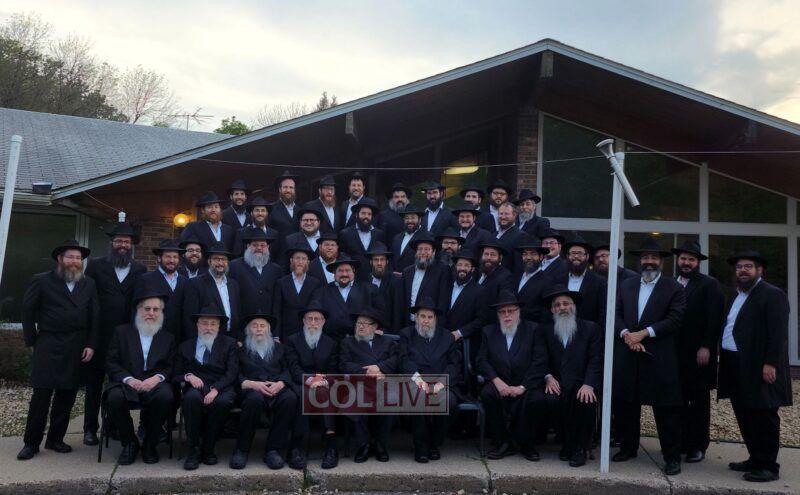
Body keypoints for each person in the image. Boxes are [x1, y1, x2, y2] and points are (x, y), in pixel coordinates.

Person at [17, 240, 99, 461]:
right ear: (60, 259)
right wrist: (31, 341)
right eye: (70, 257)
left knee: (67, 395)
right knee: (41, 396)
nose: (75, 261)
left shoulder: (88, 284)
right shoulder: (42, 280)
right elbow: (27, 311)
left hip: (77, 344)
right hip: (48, 342)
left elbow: (95, 315)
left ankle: (55, 438)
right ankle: (31, 443)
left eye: (78, 258)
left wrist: (91, 344)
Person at [718, 250, 793, 483]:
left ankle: (769, 466)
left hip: (759, 365)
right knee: (745, 413)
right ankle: (755, 458)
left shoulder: (772, 294)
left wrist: (771, 363)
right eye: (739, 267)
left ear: (760, 270)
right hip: (734, 363)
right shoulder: (736, 294)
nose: (743, 270)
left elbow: (778, 333)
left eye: (748, 266)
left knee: (763, 415)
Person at [613, 236, 685, 476]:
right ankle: (628, 447)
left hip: (658, 356)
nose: (649, 261)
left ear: (661, 262)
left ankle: (672, 457)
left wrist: (643, 334)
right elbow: (615, 313)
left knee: (665, 411)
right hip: (628, 354)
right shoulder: (627, 285)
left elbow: (675, 319)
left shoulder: (674, 287)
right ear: (640, 261)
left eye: (654, 258)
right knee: (627, 406)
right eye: (645, 257)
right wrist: (626, 334)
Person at [83, 223, 146, 446]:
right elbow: (87, 299)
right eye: (119, 241)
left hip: (125, 340)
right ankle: (90, 429)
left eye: (126, 242)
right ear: (111, 243)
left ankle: (112, 427)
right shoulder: (96, 266)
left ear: (132, 245)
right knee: (94, 385)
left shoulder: (140, 269)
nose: (122, 245)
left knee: (118, 385)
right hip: (99, 336)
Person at [527, 285, 601, 467]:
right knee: (551, 399)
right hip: (557, 381)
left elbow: (596, 359)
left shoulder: (590, 328)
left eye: (566, 303)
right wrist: (547, 377)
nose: (562, 308)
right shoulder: (544, 330)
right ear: (552, 310)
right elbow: (540, 358)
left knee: (586, 401)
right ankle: (567, 443)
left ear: (573, 306)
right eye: (557, 305)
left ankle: (581, 448)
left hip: (582, 383)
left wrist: (589, 384)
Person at [103, 284, 175, 465]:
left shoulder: (167, 337)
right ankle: (129, 443)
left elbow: (170, 365)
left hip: (154, 384)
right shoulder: (121, 332)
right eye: (147, 309)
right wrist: (129, 379)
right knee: (114, 398)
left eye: (156, 309)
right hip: (126, 383)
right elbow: (111, 362)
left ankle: (150, 444)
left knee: (166, 396)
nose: (151, 313)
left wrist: (157, 378)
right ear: (138, 310)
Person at [670, 240, 724, 464]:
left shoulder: (709, 284)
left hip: (698, 354)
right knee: (678, 400)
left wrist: (707, 346)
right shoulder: (670, 283)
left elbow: (715, 319)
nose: (686, 262)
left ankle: (698, 446)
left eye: (691, 259)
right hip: (674, 354)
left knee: (698, 401)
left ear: (697, 262)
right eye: (683, 258)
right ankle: (681, 442)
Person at [232, 312, 299, 470]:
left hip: (276, 387)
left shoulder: (279, 348)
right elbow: (234, 372)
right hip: (252, 389)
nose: (259, 329)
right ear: (248, 330)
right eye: (254, 326)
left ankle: (273, 450)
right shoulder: (240, 350)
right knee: (253, 400)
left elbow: (288, 369)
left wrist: (281, 383)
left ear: (268, 330)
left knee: (290, 398)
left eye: (262, 326)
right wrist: (250, 383)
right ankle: (242, 449)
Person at [477, 291, 539, 460]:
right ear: (497, 315)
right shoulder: (488, 331)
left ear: (518, 312)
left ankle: (526, 444)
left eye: (511, 311)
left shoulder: (533, 329)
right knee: (487, 394)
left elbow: (539, 361)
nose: (507, 315)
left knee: (536, 399)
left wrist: (522, 387)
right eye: (502, 312)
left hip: (524, 382)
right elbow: (481, 360)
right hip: (498, 381)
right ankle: (503, 442)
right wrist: (497, 382)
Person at [175, 306, 239, 470]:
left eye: (213, 324)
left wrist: (216, 389)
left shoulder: (229, 344)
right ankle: (193, 450)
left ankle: (209, 448)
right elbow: (175, 374)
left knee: (223, 402)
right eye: (204, 323)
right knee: (191, 399)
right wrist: (188, 376)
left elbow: (232, 372)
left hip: (222, 386)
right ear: (197, 325)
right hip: (197, 386)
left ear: (218, 326)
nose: (208, 328)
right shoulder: (185, 346)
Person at [399, 297, 461, 463]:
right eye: (422, 316)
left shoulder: (447, 337)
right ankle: (420, 446)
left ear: (435, 319)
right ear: (416, 318)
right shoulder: (407, 334)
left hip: (442, 383)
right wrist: (420, 381)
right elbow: (404, 360)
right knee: (418, 397)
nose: (425, 320)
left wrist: (441, 383)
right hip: (415, 383)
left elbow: (453, 365)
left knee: (449, 401)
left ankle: (434, 443)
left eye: (429, 317)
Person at [285, 300, 340, 469]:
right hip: (299, 382)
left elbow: (334, 369)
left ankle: (331, 447)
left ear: (323, 322)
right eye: (310, 319)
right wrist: (309, 380)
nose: (313, 323)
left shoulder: (331, 343)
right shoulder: (292, 340)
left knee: (325, 392)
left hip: (323, 383)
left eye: (317, 319)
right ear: (303, 321)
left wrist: (323, 380)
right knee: (302, 395)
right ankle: (295, 447)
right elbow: (293, 367)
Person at [339, 308, 399, 462]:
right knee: (353, 401)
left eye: (365, 324)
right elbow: (344, 364)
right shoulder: (348, 343)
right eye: (358, 323)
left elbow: (396, 360)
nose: (360, 326)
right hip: (360, 384)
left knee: (392, 401)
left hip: (384, 385)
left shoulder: (387, 342)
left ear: (374, 327)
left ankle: (380, 443)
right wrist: (367, 372)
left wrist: (380, 368)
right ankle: (363, 444)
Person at [183, 242, 242, 341]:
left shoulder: (233, 284)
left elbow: (238, 314)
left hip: (231, 339)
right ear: (209, 261)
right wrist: (193, 343)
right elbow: (189, 318)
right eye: (216, 259)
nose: (220, 263)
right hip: (207, 338)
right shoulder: (195, 284)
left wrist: (239, 338)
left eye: (223, 259)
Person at [134, 239, 189, 340]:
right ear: (159, 258)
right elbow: (137, 309)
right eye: (168, 256)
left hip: (179, 337)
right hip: (154, 335)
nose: (172, 260)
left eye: (175, 257)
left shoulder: (185, 282)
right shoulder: (146, 280)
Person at [319, 257, 384, 340]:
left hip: (361, 341)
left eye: (347, 270)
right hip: (331, 341)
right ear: (334, 273)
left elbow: (380, 313)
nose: (344, 274)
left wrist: (379, 329)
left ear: (353, 271)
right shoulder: (323, 291)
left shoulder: (370, 289)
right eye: (340, 271)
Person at [443, 250, 489, 364]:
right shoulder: (446, 286)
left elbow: (481, 320)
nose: (462, 268)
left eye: (466, 265)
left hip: (464, 344)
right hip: (442, 340)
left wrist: (459, 333)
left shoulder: (480, 291)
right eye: (460, 264)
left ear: (472, 269)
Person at [396, 231, 449, 329]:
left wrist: (439, 327)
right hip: (409, 324)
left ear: (433, 252)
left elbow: (443, 302)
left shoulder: (442, 270)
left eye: (427, 249)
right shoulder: (407, 271)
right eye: (420, 249)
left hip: (430, 326)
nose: (423, 253)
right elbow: (401, 301)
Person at [228, 228, 282, 317]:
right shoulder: (234, 266)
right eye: (255, 245)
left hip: (267, 320)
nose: (259, 248)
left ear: (268, 247)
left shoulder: (276, 269)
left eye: (262, 245)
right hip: (243, 318)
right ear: (248, 246)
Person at [273, 244, 323, 341]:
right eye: (297, 258)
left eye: (303, 259)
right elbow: (276, 311)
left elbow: (315, 309)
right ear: (291, 261)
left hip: (307, 331)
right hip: (286, 332)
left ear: (308, 262)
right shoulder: (281, 282)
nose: (300, 262)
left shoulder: (315, 283)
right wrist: (276, 335)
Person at [556, 235, 607, 325]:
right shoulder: (557, 280)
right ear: (567, 256)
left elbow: (603, 311)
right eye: (573, 253)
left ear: (587, 256)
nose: (576, 256)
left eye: (580, 253)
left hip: (589, 331)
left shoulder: (599, 282)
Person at [337, 198, 386, 280]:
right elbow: (342, 257)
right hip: (353, 279)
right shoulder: (345, 234)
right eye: (363, 213)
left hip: (374, 279)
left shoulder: (379, 234)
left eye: (369, 214)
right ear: (357, 215)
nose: (366, 216)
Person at [513, 241, 553, 324]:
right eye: (525, 254)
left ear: (541, 257)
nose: (528, 257)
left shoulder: (547, 281)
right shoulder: (516, 278)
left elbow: (545, 313)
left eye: (533, 254)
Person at [364, 243, 399, 332]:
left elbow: (397, 311)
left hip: (387, 331)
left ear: (387, 262)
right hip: (368, 329)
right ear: (371, 262)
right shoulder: (366, 279)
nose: (379, 263)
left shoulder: (395, 281)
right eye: (376, 260)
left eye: (382, 259)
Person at [475, 241, 514, 307]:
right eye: (486, 254)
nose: (488, 258)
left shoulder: (505, 277)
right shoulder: (479, 272)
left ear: (500, 258)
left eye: (493, 255)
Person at [493, 202, 527, 273]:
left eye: (506, 214)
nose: (503, 217)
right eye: (501, 213)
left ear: (514, 215)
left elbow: (519, 266)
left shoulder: (521, 236)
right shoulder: (494, 234)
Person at [391, 204, 426, 272]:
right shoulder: (397, 238)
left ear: (419, 219)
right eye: (407, 218)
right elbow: (392, 259)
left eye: (413, 218)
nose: (409, 221)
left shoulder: (426, 237)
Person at [269, 170, 300, 238]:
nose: (288, 190)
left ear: (294, 190)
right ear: (280, 189)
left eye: (291, 187)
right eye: (285, 187)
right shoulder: (270, 209)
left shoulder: (300, 211)